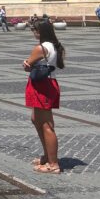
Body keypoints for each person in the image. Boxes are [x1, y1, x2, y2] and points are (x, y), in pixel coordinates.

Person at [23, 19, 66, 174]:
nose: (33, 32)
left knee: (46, 124)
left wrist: (26, 64)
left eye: (34, 30)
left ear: (40, 31)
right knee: (36, 119)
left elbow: (27, 65)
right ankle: (48, 156)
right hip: (49, 83)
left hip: (43, 86)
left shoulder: (40, 48)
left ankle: (53, 163)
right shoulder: (53, 45)